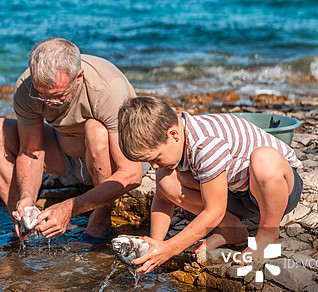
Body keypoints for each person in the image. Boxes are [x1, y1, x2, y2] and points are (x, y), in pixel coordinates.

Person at [0, 37, 143, 244]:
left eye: (58, 96)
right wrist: (28, 196)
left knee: (96, 130)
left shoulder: (108, 88)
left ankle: (101, 218)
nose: (49, 103)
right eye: (42, 96)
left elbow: (131, 173)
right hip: (69, 155)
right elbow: (31, 150)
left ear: (78, 77)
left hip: (115, 157)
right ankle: (22, 226)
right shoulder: (27, 86)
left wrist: (69, 208)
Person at [117, 95, 303, 274]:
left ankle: (268, 234)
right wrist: (155, 245)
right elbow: (162, 199)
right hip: (235, 191)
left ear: (173, 134)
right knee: (165, 181)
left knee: (264, 160)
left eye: (156, 159)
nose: (154, 166)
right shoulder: (178, 133)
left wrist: (170, 248)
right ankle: (232, 229)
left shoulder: (205, 144)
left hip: (275, 192)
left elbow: (214, 211)